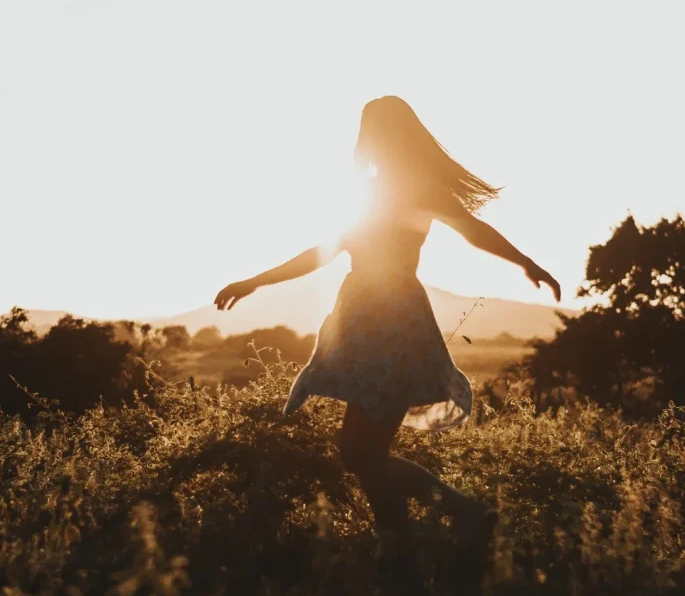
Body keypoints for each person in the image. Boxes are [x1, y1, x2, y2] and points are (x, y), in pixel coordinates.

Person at [214, 96, 560, 550]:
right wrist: (256, 280)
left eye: (372, 131)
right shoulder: (373, 192)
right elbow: (324, 251)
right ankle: (450, 521)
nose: (366, 140)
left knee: (362, 454)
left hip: (393, 326)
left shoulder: (417, 189)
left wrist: (525, 262)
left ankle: (422, 539)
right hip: (365, 324)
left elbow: (474, 231)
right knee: (359, 453)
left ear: (388, 136)